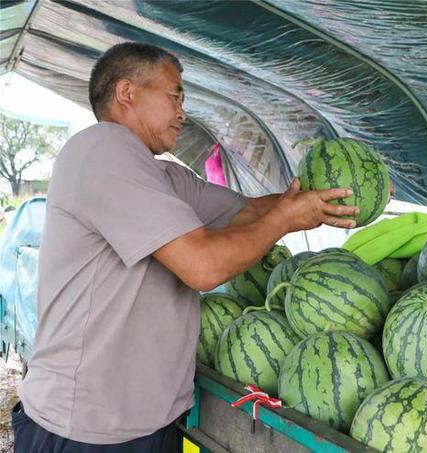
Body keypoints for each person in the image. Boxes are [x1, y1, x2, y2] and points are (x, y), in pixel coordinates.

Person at [13, 42, 358, 452]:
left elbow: (248, 214)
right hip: (87, 430)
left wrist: (320, 198)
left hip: (149, 423)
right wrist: (287, 218)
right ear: (127, 93)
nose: (182, 112)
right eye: (174, 96)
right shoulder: (102, 149)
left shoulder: (160, 177)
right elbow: (202, 267)